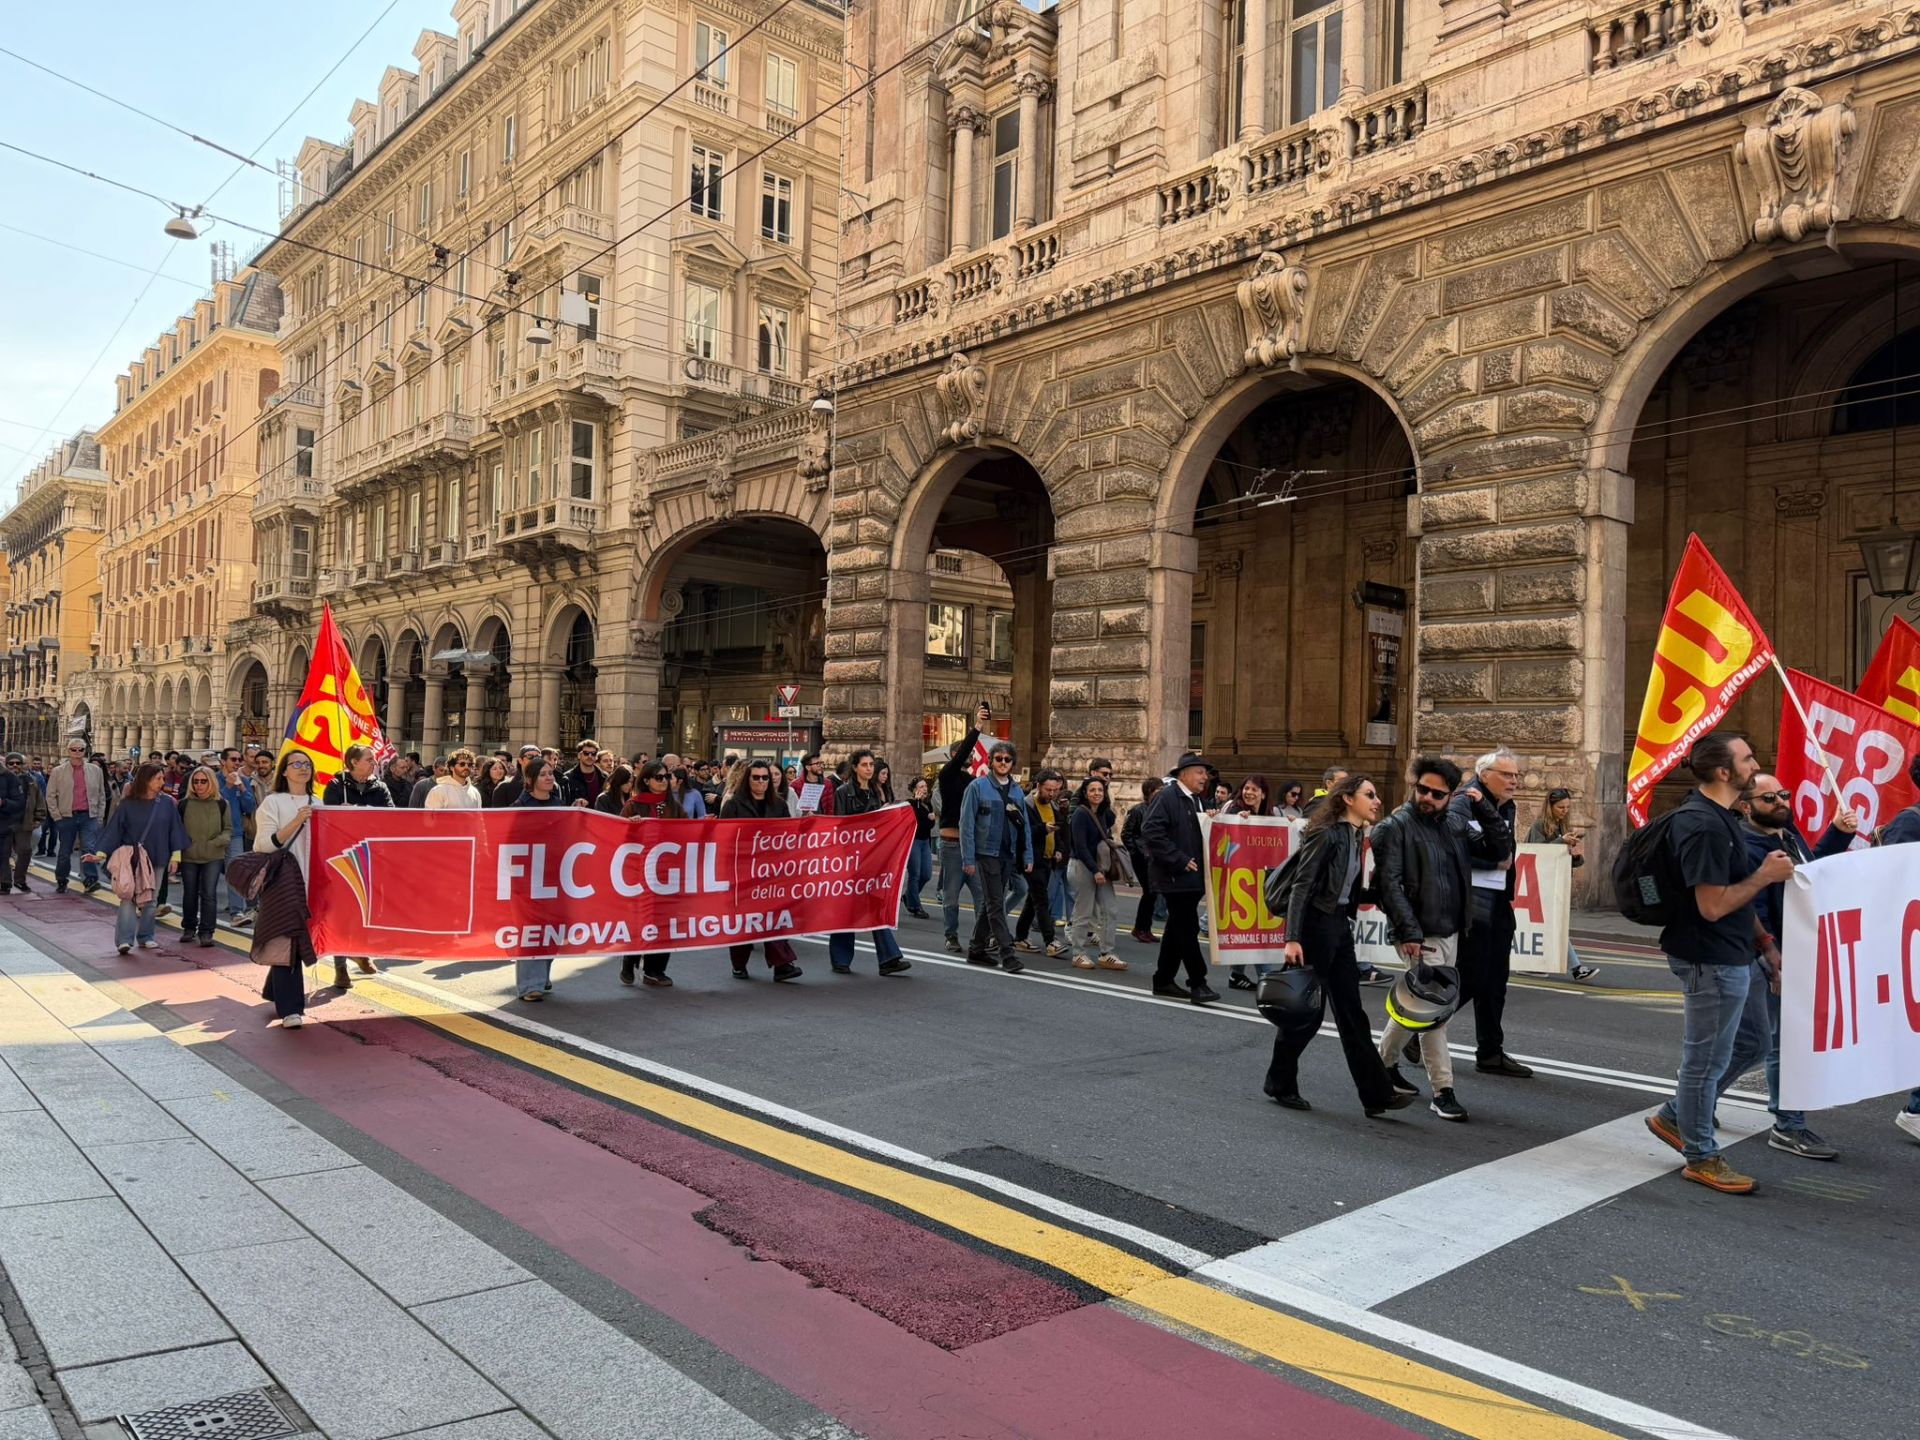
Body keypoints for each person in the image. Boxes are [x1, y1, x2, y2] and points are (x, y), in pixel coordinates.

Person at [1640, 733, 1794, 1194]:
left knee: (1752, 1043)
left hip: (1736, 952)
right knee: (1704, 1061)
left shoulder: (1722, 817)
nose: (1755, 764)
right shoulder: (1703, 825)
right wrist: (1765, 875)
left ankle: (1675, 1116)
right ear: (1724, 772)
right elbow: (1711, 905)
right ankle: (1701, 1155)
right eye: (1748, 759)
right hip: (1708, 957)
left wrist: (1765, 943)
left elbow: (1733, 891)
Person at [1703, 772, 1854, 1160]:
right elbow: (1754, 908)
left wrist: (1837, 832)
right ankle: (1787, 1125)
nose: (1781, 802)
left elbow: (1809, 876)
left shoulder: (1786, 836)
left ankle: (1697, 1097)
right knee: (1774, 1043)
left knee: (1766, 1042)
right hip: (1772, 955)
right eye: (1769, 798)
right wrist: (1773, 961)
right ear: (1745, 805)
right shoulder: (1748, 847)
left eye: (1783, 795)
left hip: (1799, 950)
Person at [1265, 774, 1411, 1117]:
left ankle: (1376, 1095)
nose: (1377, 801)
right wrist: (1292, 937)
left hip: (1337, 929)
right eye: (1369, 795)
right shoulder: (1326, 833)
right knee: (1307, 1013)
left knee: (1351, 1014)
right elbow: (1302, 886)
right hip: (1315, 929)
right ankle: (1280, 1081)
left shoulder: (1354, 833)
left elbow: (1345, 890)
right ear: (1347, 799)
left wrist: (1388, 894)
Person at [1371, 757, 1475, 1121]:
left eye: (1438, 793)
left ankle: (1381, 1064)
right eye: (1423, 789)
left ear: (1450, 796)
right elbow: (1388, 886)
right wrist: (1410, 932)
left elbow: (1496, 848)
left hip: (1450, 929)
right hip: (1418, 931)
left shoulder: (1452, 825)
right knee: (1434, 1013)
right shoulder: (1393, 827)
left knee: (1416, 1007)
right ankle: (1443, 1090)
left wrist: (1486, 806)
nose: (1428, 797)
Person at [1450, 748, 1531, 1076]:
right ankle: (1419, 1028)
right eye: (1507, 775)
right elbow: (1453, 848)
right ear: (1485, 776)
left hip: (1498, 901)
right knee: (1472, 977)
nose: (1513, 781)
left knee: (1496, 980)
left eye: (1515, 775)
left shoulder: (1506, 806)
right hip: (1473, 902)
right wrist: (1492, 861)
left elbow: (1505, 850)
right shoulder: (1463, 802)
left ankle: (1490, 1052)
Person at [1141, 754, 1221, 1005]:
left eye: (1205, 773)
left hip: (1191, 877)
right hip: (1175, 876)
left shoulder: (1196, 800)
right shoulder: (1167, 797)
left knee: (1176, 928)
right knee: (1187, 929)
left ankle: (1163, 979)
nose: (1204, 777)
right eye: (1200, 772)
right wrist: (1179, 859)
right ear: (1183, 774)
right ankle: (1198, 982)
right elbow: (1151, 831)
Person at [718, 761, 804, 981]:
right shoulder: (733, 804)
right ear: (748, 780)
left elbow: (787, 837)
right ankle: (739, 963)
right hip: (743, 872)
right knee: (745, 921)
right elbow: (724, 840)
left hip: (771, 872)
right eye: (756, 777)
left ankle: (782, 964)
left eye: (765, 778)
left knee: (774, 917)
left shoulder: (779, 806)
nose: (761, 782)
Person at [829, 750, 913, 976]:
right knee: (847, 909)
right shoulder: (843, 793)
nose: (869, 768)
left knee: (874, 906)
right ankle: (841, 958)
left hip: (872, 860)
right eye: (864, 764)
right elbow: (840, 826)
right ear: (855, 767)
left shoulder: (876, 794)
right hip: (850, 860)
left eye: (871, 765)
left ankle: (888, 958)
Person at [92, 762, 188, 955]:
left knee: (151, 900)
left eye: (163, 778)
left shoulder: (168, 803)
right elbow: (115, 829)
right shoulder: (128, 804)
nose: (163, 781)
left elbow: (175, 830)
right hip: (132, 859)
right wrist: (100, 854)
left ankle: (146, 936)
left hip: (159, 856)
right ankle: (124, 940)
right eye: (158, 778)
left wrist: (175, 857)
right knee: (129, 897)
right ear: (146, 780)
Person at [958, 741, 1033, 974]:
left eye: (1007, 759)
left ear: (1012, 763)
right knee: (996, 904)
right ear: (990, 761)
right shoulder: (977, 787)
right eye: (998, 759)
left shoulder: (1016, 790)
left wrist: (1027, 855)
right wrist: (968, 859)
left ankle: (976, 949)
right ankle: (1007, 954)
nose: (1003, 763)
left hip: (1007, 854)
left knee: (991, 902)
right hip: (985, 853)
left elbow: (1025, 826)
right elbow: (966, 825)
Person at [512, 758, 573, 1001]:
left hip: (555, 876)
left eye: (551, 774)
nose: (549, 778)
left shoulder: (558, 804)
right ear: (530, 780)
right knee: (532, 930)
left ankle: (542, 976)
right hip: (528, 877)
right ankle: (529, 985)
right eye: (543, 774)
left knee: (553, 929)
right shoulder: (519, 807)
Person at [621, 761, 685, 987]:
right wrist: (630, 825)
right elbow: (618, 836)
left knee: (665, 921)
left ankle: (655, 970)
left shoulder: (674, 806)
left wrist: (704, 827)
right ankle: (630, 959)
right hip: (639, 874)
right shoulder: (633, 805)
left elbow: (688, 831)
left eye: (666, 777)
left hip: (667, 873)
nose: (664, 781)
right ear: (646, 780)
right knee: (641, 921)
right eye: (659, 777)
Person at [1527, 789, 1597, 981]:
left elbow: (1571, 860)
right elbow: (1536, 853)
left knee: (1550, 926)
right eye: (1560, 807)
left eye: (1567, 807)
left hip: (1554, 883)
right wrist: (1561, 841)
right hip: (1540, 884)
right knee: (1554, 926)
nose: (1564, 811)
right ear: (1550, 807)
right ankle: (1576, 968)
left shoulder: (1561, 826)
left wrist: (1575, 854)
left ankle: (1531, 964)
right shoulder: (1539, 826)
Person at [935, 707, 990, 951]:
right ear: (955, 755)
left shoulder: (973, 781)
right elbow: (963, 753)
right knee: (951, 898)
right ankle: (951, 935)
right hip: (950, 845)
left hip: (972, 846)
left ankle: (981, 937)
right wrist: (977, 727)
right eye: (964, 755)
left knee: (982, 897)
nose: (968, 758)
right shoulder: (947, 775)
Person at [1221, 775, 1277, 990]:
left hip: (1261, 879)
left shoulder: (1270, 814)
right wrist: (1238, 822)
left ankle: (1237, 975)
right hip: (1241, 879)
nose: (1249, 793)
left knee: (1251, 929)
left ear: (1263, 793)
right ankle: (1268, 977)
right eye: (1246, 788)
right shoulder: (1235, 811)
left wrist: (1288, 825)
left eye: (1254, 789)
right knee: (1253, 928)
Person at [1066, 776, 1126, 971]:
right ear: (1085, 793)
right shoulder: (1080, 815)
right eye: (1092, 790)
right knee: (1083, 911)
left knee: (1110, 909)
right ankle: (1078, 953)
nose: (1097, 793)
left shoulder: (1102, 813)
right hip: (1083, 866)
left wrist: (1107, 799)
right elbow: (1080, 846)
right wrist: (1095, 870)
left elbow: (1111, 820)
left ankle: (1106, 953)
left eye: (1100, 790)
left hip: (1102, 866)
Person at [1013, 770, 1070, 959]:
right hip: (1033, 859)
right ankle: (1050, 941)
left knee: (1033, 900)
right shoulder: (1028, 804)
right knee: (1041, 899)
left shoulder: (1053, 806)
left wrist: (1059, 849)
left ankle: (1020, 937)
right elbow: (1024, 831)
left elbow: (1059, 830)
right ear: (1038, 786)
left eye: (1055, 790)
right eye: (1048, 790)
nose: (1052, 793)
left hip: (1048, 859)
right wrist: (1043, 829)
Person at [175, 766, 231, 947]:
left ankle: (207, 932)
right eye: (196, 781)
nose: (199, 785)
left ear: (211, 782)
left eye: (203, 781)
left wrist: (214, 843)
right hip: (189, 856)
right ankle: (189, 927)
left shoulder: (222, 803)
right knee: (189, 894)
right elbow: (176, 830)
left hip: (213, 856)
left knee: (209, 894)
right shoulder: (184, 804)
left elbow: (228, 830)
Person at [216, 748, 259, 926]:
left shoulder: (245, 781)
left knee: (235, 871)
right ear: (223, 761)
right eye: (233, 759)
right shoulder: (214, 779)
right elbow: (217, 804)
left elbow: (249, 807)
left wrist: (241, 786)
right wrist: (227, 786)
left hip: (235, 832)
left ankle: (237, 911)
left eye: (239, 759)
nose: (237, 763)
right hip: (214, 832)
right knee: (210, 873)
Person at [1123, 776, 1164, 943]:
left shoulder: (1160, 809)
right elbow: (1126, 834)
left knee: (1153, 893)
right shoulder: (1138, 810)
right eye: (1157, 791)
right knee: (1150, 891)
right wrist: (1137, 852)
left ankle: (1144, 928)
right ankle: (1140, 928)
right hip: (1142, 857)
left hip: (1155, 856)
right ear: (1149, 792)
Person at [323, 745, 396, 809]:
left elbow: (389, 815)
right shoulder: (336, 786)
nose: (375, 763)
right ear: (354, 762)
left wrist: (356, 809)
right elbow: (330, 817)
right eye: (370, 760)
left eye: (374, 759)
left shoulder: (381, 787)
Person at [903, 777, 935, 920]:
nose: (924, 789)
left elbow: (929, 825)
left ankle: (909, 896)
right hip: (913, 841)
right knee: (915, 874)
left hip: (925, 841)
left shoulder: (927, 804)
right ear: (914, 789)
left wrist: (931, 819)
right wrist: (916, 802)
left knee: (926, 874)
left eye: (925, 786)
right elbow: (914, 820)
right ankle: (915, 906)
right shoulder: (910, 804)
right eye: (921, 786)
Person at [560, 740, 605, 808]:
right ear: (579, 755)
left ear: (596, 757)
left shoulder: (604, 777)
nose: (590, 756)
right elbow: (563, 803)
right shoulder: (567, 778)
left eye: (593, 753)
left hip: (599, 817)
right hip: (578, 817)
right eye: (586, 753)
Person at [795, 752, 834, 817]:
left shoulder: (827, 784)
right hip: (803, 823)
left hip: (822, 823)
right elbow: (793, 808)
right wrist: (803, 814)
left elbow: (830, 808)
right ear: (808, 767)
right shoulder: (795, 785)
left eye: (821, 763)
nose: (821, 766)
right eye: (817, 764)